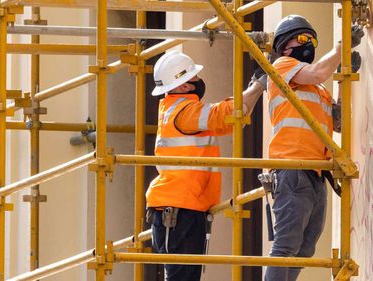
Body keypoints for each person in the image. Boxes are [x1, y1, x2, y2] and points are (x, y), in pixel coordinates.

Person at [146, 50, 266, 281]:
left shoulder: (181, 111)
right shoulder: (185, 111)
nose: (199, 82)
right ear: (182, 86)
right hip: (179, 210)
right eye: (194, 78)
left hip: (182, 208)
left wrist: (254, 86)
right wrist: (260, 84)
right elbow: (229, 112)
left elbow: (234, 117)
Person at [265, 15, 363, 281]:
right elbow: (320, 71)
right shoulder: (281, 66)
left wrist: (344, 80)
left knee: (304, 249)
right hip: (292, 169)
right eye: (304, 39)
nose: (310, 44)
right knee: (285, 247)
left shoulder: (317, 88)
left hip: (316, 172)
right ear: (285, 45)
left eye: (313, 40)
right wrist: (342, 46)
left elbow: (339, 121)